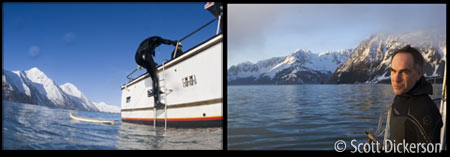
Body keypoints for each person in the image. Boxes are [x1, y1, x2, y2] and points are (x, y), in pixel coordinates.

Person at [389, 45, 442, 146]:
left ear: (418, 74)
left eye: (404, 72)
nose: (396, 79)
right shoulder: (401, 95)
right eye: (393, 71)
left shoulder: (425, 111)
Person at [135, 36, 178, 108]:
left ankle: (156, 89)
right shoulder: (156, 38)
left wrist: (152, 54)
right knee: (155, 78)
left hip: (137, 58)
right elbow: (165, 41)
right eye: (158, 45)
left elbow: (147, 49)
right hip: (144, 54)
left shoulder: (148, 42)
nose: (158, 46)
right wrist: (173, 42)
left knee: (152, 68)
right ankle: (157, 103)